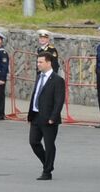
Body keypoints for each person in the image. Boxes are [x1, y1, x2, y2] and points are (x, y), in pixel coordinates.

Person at [26, 52, 63, 181]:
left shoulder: (57, 80)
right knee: (33, 142)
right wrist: (30, 114)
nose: (38, 64)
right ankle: (48, 163)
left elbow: (59, 100)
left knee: (49, 144)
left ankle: (47, 172)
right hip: (36, 116)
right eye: (37, 62)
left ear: (48, 63)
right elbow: (35, 95)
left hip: (49, 118)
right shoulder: (39, 77)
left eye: (40, 62)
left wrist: (53, 117)